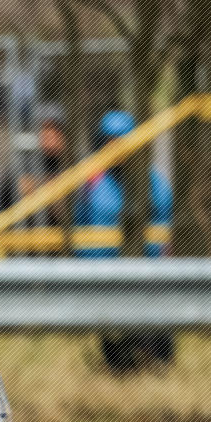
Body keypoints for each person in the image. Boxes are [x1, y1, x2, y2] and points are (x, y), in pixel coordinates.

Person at [75, 110, 176, 372]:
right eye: (109, 140)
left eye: (121, 141)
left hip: (146, 273)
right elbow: (79, 224)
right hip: (102, 273)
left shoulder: (155, 185)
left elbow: (164, 230)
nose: (116, 148)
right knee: (113, 338)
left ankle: (153, 359)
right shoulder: (92, 183)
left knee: (152, 335)